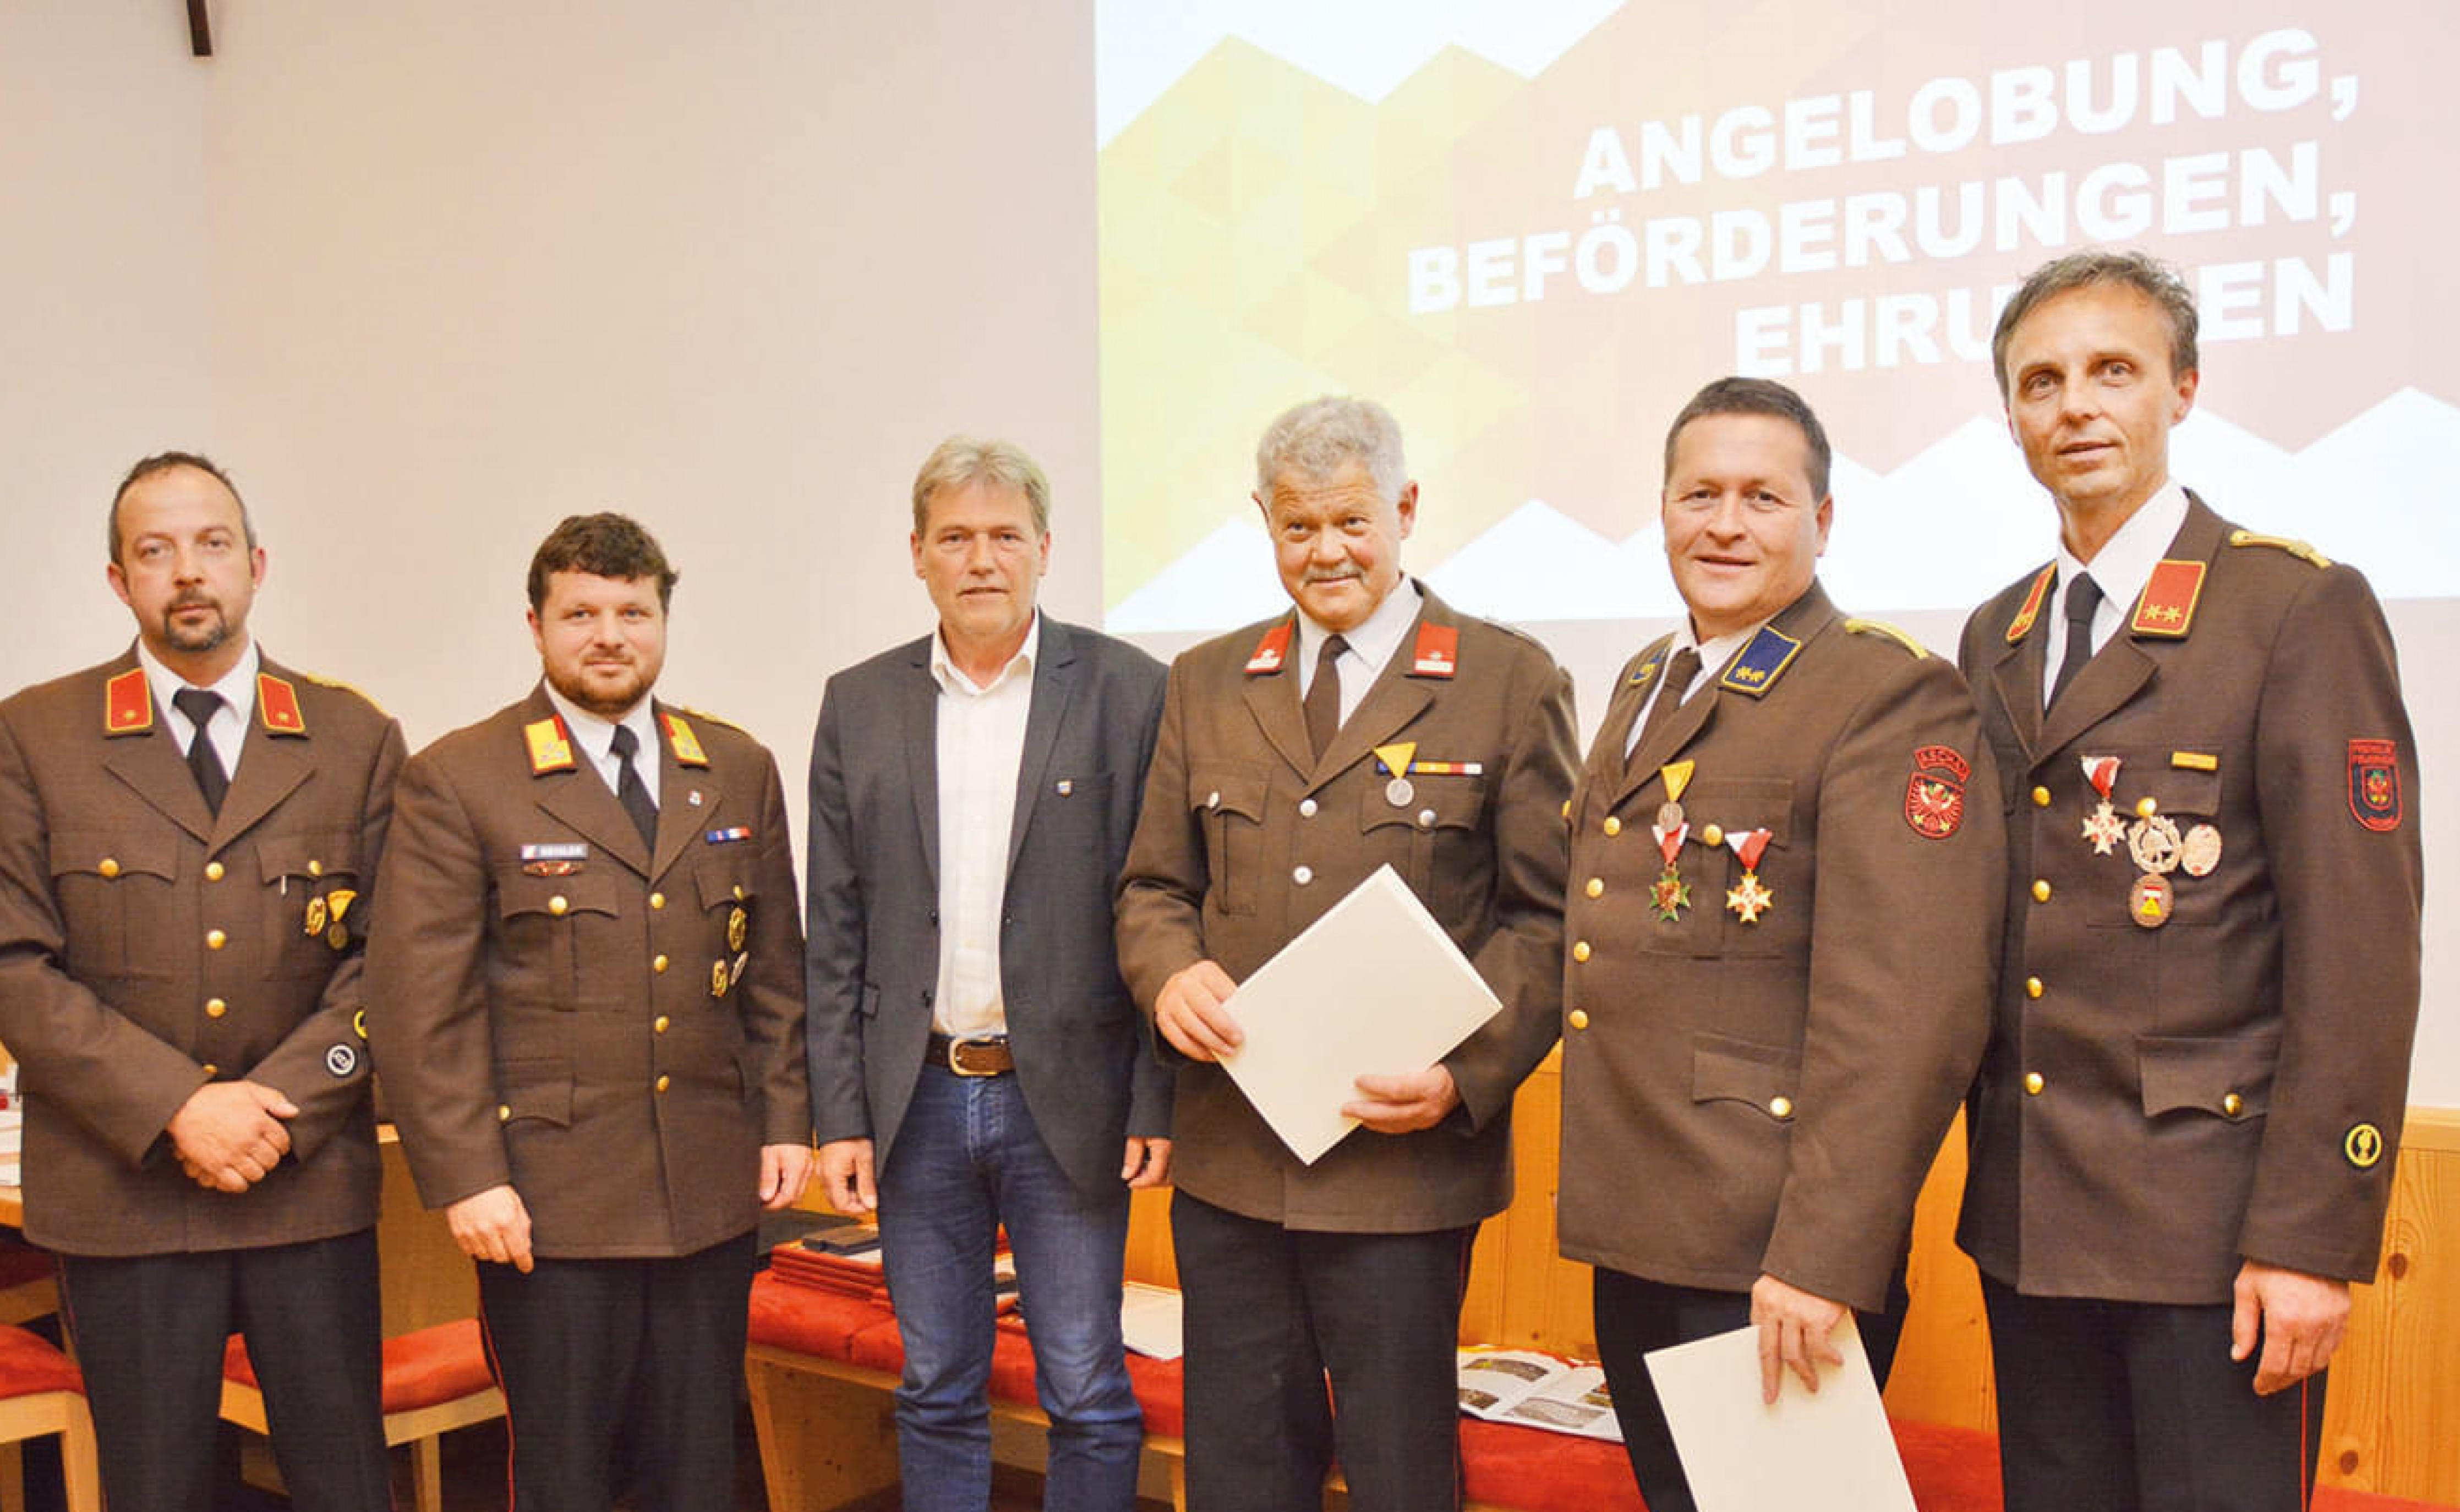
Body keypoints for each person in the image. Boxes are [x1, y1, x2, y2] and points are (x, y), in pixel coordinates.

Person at [1958, 248, 2422, 1512]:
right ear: (2011, 419)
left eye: (2115, 372)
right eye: (2041, 382)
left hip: (2214, 1245)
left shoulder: (2293, 608)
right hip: (2030, 1225)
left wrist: (2310, 1241)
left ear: (2186, 390)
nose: (2076, 407)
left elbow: (2359, 957)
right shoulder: (1997, 634)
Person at [1115, 396, 1577, 1512]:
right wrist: (1169, 969)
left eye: (1351, 523)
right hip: (1233, 1160)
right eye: (1297, 528)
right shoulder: (1208, 681)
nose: (1325, 553)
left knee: (1399, 1471)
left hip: (1402, 1165)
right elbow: (1153, 886)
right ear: (1266, 528)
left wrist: (1466, 1077)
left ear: (1406, 510)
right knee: (1239, 1471)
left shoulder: (1508, 681)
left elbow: (1548, 921)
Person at [1554, 379, 2003, 1510]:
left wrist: (1821, 1257)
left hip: (1771, 1250)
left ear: (1824, 520)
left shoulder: (1884, 694)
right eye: (1699, 494)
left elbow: (1906, 1010)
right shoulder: (1649, 682)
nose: (1725, 524)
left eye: (1763, 497)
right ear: (1661, 510)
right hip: (1643, 1222)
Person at [367, 512, 813, 1512]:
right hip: (547, 1204)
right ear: (535, 625)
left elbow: (775, 974)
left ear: (663, 621)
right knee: (566, 1472)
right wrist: (468, 1178)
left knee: (699, 1466)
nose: (608, 634)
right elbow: (416, 1005)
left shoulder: (735, 767)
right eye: (580, 613)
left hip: (707, 1190)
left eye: (632, 611)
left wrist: (787, 1119)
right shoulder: (462, 778)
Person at [0, 452, 398, 1511]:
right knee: (154, 1489)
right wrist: (178, 1106)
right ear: (117, 579)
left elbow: (395, 960)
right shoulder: (34, 736)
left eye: (212, 545)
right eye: (155, 550)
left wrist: (282, 1107)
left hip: (303, 1181)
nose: (188, 572)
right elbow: (14, 963)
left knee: (344, 1480)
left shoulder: (354, 739)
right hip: (123, 1192)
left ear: (256, 565)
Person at [803, 435, 1172, 1511]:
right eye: (955, 538)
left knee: (1087, 1387)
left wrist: (1157, 1096)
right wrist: (840, 1115)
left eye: (1005, 535)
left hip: (1067, 1099)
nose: (981, 559)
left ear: (1046, 549)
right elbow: (835, 927)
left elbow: (1160, 910)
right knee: (934, 1386)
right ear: (916, 553)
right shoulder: (859, 702)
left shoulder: (1127, 692)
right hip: (913, 1100)